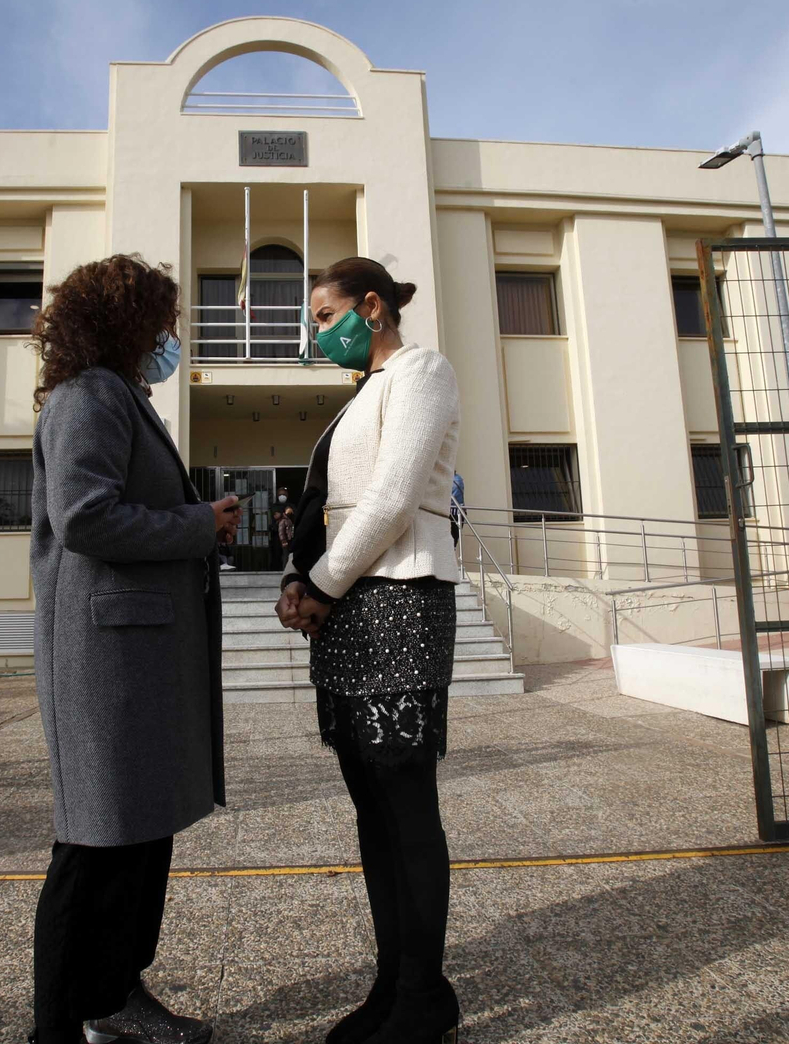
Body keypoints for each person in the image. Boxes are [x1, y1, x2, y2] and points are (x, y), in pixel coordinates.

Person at [27, 253, 241, 1044]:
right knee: (95, 847)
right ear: (125, 322)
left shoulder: (120, 396)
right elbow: (84, 516)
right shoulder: (89, 398)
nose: (171, 336)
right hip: (106, 664)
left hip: (137, 659)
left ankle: (116, 997)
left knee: (139, 840)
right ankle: (59, 1026)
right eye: (162, 321)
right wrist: (200, 525)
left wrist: (197, 526)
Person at [276, 257, 462, 1044]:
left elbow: (390, 498)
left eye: (325, 316)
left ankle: (425, 998)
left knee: (405, 804)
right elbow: (325, 505)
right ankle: (392, 985)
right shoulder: (360, 396)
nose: (319, 334)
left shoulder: (423, 369)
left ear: (373, 306)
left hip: (399, 603)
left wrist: (317, 584)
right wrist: (298, 577)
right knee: (371, 810)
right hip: (353, 608)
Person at [449, 471, 465, 549]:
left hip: (453, 513)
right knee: (453, 542)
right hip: (460, 513)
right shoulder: (459, 479)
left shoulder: (453, 480)